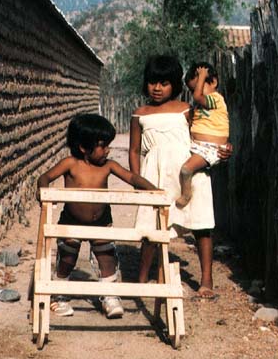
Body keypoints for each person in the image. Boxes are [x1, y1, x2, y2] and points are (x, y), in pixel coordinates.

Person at [129, 54, 231, 299]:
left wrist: (223, 149)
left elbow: (206, 133)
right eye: (153, 82)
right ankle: (142, 280)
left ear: (175, 84)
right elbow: (134, 150)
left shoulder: (187, 110)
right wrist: (136, 180)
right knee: (152, 227)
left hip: (189, 171)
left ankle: (206, 280)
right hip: (156, 174)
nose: (157, 88)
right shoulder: (140, 114)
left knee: (201, 224)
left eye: (164, 83)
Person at [37, 113, 158, 318]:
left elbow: (131, 177)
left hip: (101, 221)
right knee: (67, 257)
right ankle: (59, 294)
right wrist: (44, 192)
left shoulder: (108, 165)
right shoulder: (70, 164)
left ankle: (109, 295)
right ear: (84, 148)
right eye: (102, 146)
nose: (107, 150)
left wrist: (154, 190)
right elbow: (45, 176)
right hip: (72, 220)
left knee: (106, 257)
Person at [176, 62, 229, 208]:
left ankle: (186, 195)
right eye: (194, 89)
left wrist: (202, 76)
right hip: (200, 146)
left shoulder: (215, 98)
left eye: (199, 86)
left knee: (186, 169)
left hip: (210, 148)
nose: (196, 93)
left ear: (213, 82)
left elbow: (198, 97)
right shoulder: (202, 105)